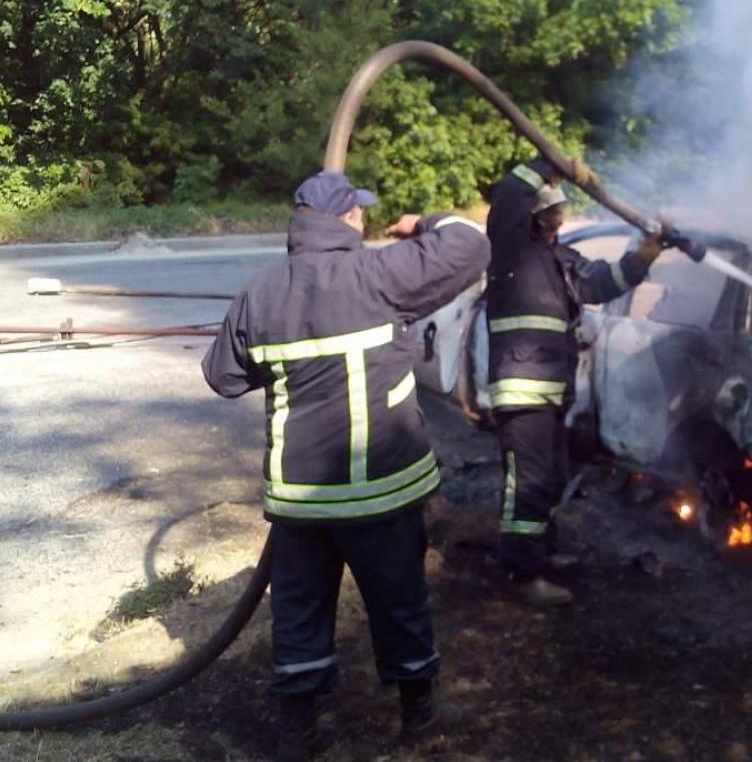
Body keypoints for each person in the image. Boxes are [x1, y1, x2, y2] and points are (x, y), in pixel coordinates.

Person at [201, 170, 490, 761]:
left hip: (301, 502)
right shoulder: (379, 274)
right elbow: (471, 244)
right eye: (360, 211)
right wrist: (423, 223)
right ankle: (419, 718)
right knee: (399, 603)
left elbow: (222, 377)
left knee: (299, 612)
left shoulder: (261, 293)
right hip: (381, 492)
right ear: (350, 218)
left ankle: (299, 733)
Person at [485, 158, 664, 606]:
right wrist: (550, 165)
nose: (561, 211)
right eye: (553, 205)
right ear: (536, 213)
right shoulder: (512, 250)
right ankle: (522, 573)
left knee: (550, 479)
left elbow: (602, 283)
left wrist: (644, 257)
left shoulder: (560, 258)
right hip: (522, 389)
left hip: (551, 390)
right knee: (528, 483)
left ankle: (542, 554)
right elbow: (508, 193)